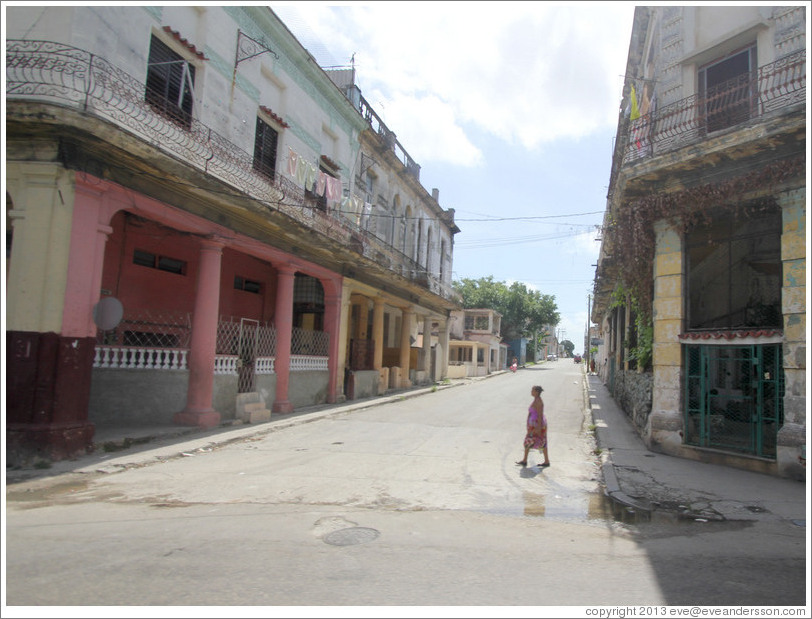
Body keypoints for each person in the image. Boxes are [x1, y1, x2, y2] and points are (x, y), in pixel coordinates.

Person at [516, 385, 550, 467]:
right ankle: (525, 460)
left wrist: (538, 428)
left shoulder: (539, 402)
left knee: (537, 441)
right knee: (534, 441)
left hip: (537, 426)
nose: (531, 392)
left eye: (533, 390)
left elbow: (540, 415)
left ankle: (545, 461)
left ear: (537, 392)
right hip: (533, 426)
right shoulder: (536, 400)